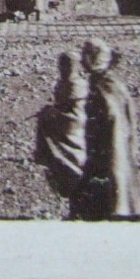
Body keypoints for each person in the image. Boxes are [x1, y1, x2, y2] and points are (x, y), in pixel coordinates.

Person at [71, 38, 140, 221]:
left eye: (85, 56)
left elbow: (107, 118)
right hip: (118, 144)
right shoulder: (113, 84)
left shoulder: (101, 87)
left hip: (108, 146)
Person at [33, 52, 89, 202]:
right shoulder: (64, 83)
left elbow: (73, 113)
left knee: (75, 164)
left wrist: (52, 113)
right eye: (62, 65)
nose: (63, 69)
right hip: (64, 131)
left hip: (73, 132)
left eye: (67, 65)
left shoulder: (77, 85)